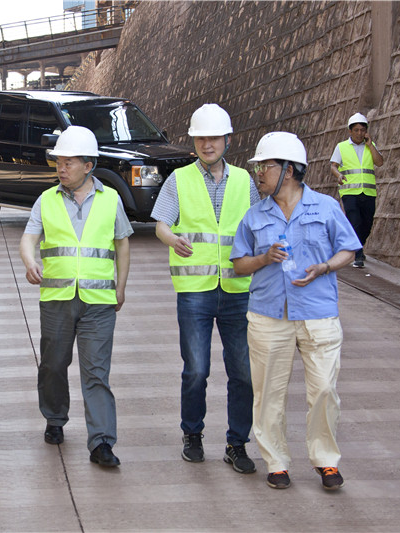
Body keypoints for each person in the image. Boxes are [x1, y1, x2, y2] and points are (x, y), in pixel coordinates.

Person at [231, 131, 361, 491]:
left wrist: (324, 267)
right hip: (268, 315)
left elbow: (348, 249)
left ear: (288, 170)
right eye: (258, 167)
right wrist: (264, 258)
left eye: (265, 167)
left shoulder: (326, 207)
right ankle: (276, 462)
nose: (259, 173)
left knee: (324, 389)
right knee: (268, 394)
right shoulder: (254, 216)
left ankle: (325, 460)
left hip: (317, 313)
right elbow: (239, 265)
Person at [151, 103, 259, 474]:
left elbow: (258, 225)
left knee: (243, 372)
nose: (207, 144)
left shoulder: (244, 181)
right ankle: (192, 435)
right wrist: (171, 239)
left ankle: (237, 443)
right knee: (196, 369)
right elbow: (162, 223)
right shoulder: (179, 179)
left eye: (214, 138)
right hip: (195, 290)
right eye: (200, 139)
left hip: (237, 290)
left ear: (228, 140)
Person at [19, 125, 132, 468]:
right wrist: (30, 261)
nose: (61, 167)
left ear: (88, 165)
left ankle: (102, 442)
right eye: (58, 161)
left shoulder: (111, 199)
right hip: (57, 298)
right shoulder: (46, 200)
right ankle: (55, 417)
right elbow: (29, 238)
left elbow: (122, 244)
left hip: (99, 301)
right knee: (53, 364)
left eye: (68, 162)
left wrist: (121, 286)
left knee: (96, 371)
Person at [330, 112, 384, 268]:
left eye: (362, 130)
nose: (359, 133)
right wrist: (338, 175)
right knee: (355, 222)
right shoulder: (341, 147)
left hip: (368, 192)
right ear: (350, 131)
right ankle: (358, 255)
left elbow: (379, 162)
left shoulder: (370, 146)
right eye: (356, 130)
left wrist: (370, 145)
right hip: (349, 193)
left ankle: (358, 246)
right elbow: (333, 166)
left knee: (367, 224)